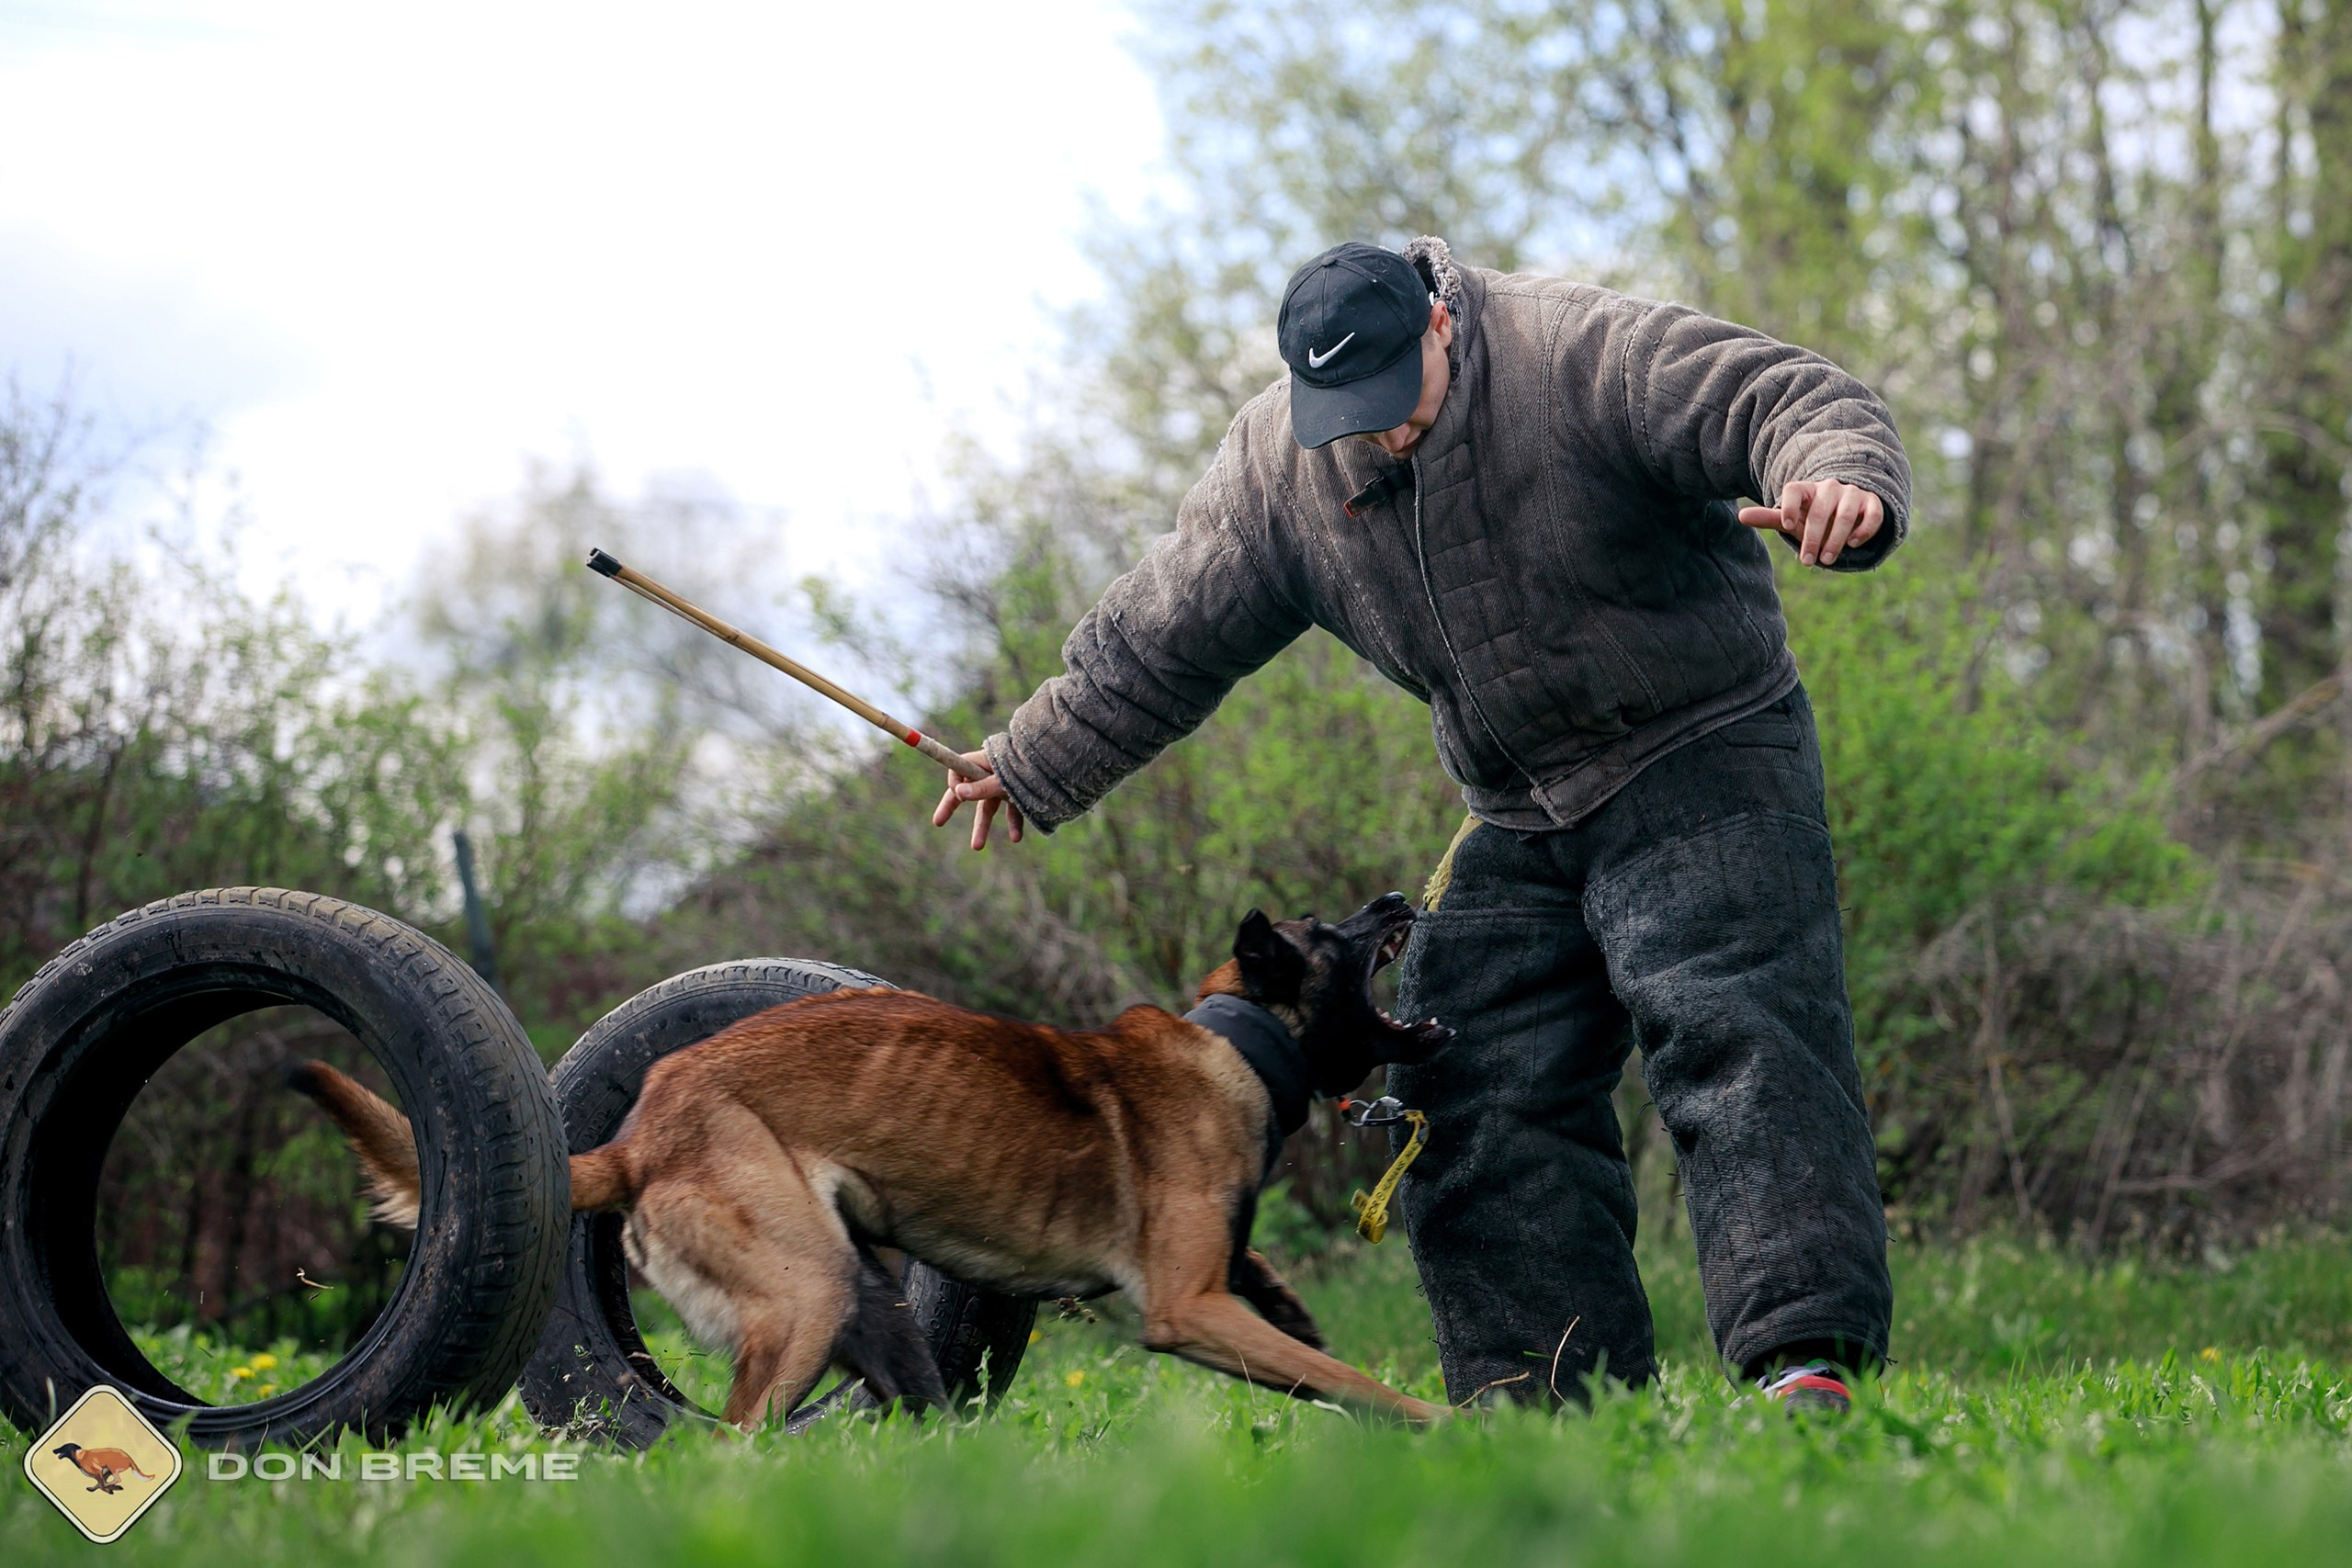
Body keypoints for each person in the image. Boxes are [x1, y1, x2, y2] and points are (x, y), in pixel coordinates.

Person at [932, 238, 1907, 1415]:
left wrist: (1837, 475)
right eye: (1347, 411)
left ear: (1440, 321)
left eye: (1396, 397)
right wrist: (1028, 761)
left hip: (1704, 745)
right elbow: (1161, 638)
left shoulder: (1580, 352)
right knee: (1466, 1068)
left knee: (1735, 1029)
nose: (1380, 431)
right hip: (1519, 800)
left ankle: (1803, 1366)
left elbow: (1786, 395)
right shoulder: (1278, 471)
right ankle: (1545, 1407)